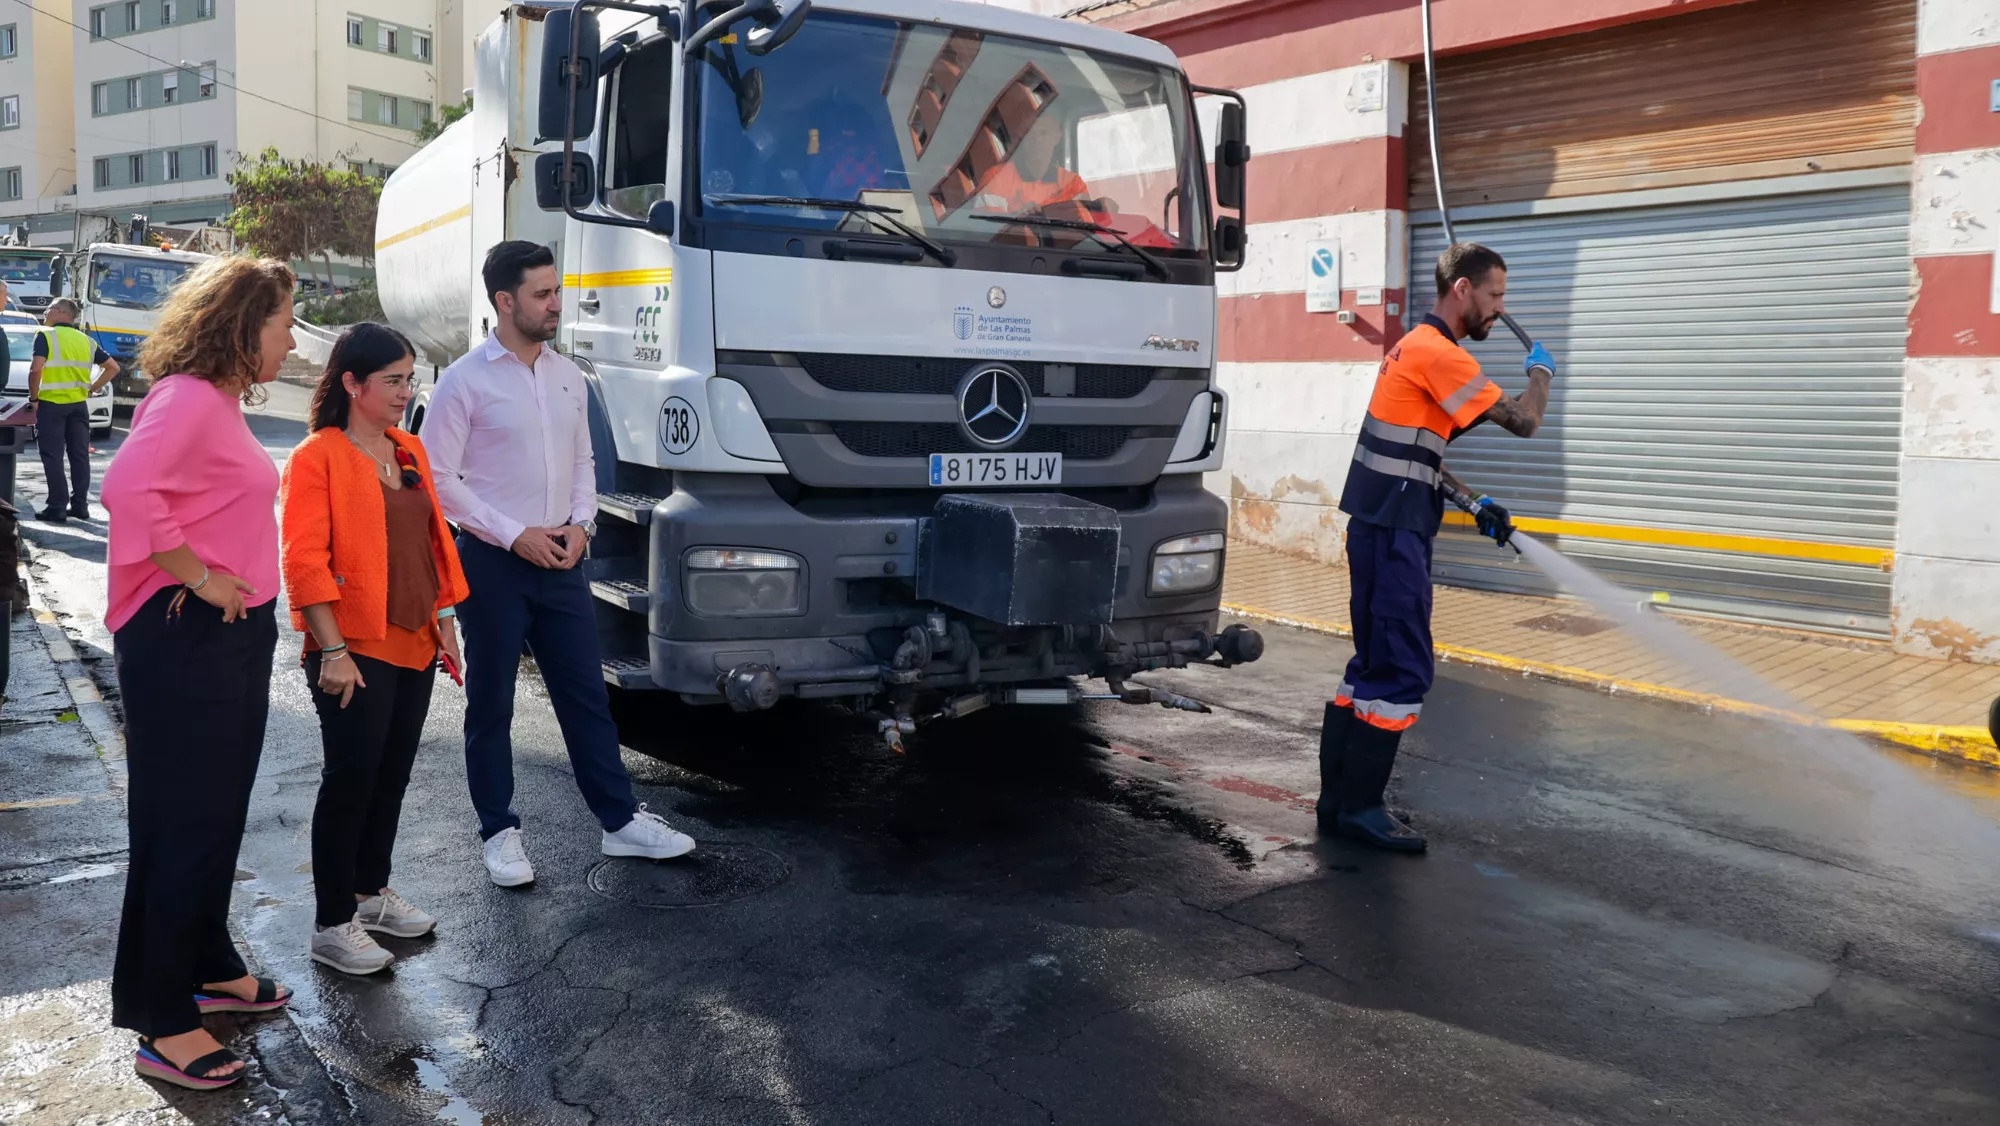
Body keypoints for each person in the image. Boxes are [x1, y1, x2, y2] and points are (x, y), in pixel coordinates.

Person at [424, 241, 695, 887]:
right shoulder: (464, 380)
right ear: (505, 301)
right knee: (491, 704)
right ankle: (499, 833)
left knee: (586, 698)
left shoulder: (568, 375)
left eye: (556, 291)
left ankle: (620, 822)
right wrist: (513, 534)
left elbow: (582, 462)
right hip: (493, 562)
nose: (556, 304)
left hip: (562, 559)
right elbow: (437, 478)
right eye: (542, 294)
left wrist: (583, 524)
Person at [99, 256, 298, 1090]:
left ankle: (210, 963)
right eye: (283, 324)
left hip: (227, 636)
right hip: (186, 636)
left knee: (215, 816)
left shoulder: (213, 400)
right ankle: (162, 1017)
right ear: (243, 326)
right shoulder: (185, 398)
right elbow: (125, 488)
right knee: (184, 821)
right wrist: (203, 576)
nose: (292, 343)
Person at [1319, 242, 1554, 853]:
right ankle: (1361, 810)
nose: (1501, 310)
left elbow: (1419, 455)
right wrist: (1542, 373)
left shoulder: (1415, 347)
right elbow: (1525, 421)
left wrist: (1473, 502)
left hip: (1379, 524)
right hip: (1393, 531)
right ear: (1462, 289)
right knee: (1402, 668)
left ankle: (1338, 803)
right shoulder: (1439, 353)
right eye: (1495, 295)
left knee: (1371, 666)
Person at [281, 324, 470, 976]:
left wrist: (445, 619)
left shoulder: (408, 447)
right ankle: (332, 923)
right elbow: (303, 562)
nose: (404, 391)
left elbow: (432, 544)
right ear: (352, 383)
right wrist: (332, 651)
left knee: (391, 776)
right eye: (392, 380)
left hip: (415, 642)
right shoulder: (318, 456)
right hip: (354, 649)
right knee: (351, 780)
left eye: (409, 379)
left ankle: (369, 893)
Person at [29, 298, 120, 522]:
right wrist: (92, 389)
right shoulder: (86, 340)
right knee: (79, 456)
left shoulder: (46, 335)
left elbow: (35, 370)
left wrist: (34, 398)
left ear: (61, 312)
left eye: (49, 308)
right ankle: (80, 505)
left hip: (51, 404)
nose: (45, 311)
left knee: (52, 455)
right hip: (79, 406)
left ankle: (57, 506)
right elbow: (113, 368)